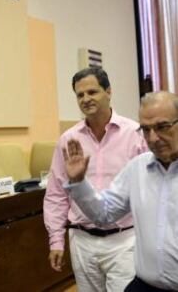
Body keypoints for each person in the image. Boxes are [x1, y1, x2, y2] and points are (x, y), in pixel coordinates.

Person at [43, 67, 147, 291]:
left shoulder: (135, 134)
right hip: (82, 241)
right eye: (80, 95)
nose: (85, 99)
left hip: (125, 240)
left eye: (92, 92)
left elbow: (149, 188)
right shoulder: (68, 139)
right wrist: (56, 240)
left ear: (108, 91)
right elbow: (56, 194)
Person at [62, 91, 178, 291]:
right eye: (146, 129)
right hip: (144, 285)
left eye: (162, 127)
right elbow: (103, 213)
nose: (153, 137)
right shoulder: (137, 169)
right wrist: (79, 182)